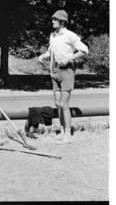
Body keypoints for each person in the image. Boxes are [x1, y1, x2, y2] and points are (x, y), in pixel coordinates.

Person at [38, 10, 89, 144]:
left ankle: (67, 134)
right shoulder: (52, 35)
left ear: (61, 22)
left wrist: (69, 58)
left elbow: (84, 50)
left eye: (54, 19)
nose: (52, 21)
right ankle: (61, 131)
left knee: (64, 104)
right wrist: (43, 56)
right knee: (57, 103)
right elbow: (51, 50)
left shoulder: (70, 35)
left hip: (67, 72)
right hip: (55, 72)